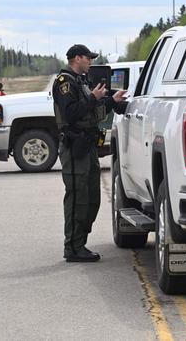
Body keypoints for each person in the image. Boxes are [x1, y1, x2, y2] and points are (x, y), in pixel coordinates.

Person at [53, 44, 127, 262]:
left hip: (88, 145)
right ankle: (73, 247)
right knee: (78, 198)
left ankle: (80, 242)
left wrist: (111, 101)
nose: (91, 62)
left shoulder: (81, 81)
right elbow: (72, 113)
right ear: (77, 58)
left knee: (92, 197)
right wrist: (93, 98)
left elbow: (91, 109)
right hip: (75, 147)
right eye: (88, 58)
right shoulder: (64, 83)